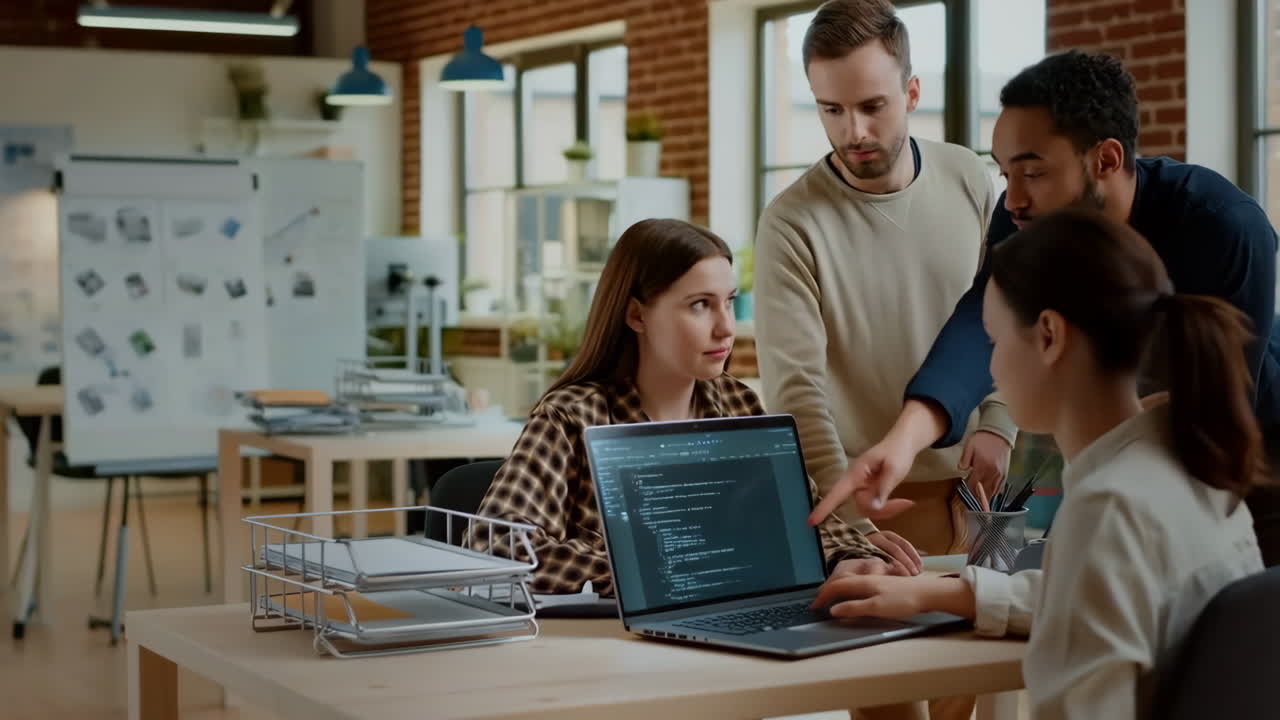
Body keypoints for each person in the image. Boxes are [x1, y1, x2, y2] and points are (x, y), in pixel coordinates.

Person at [813, 50, 1280, 568]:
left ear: (1105, 160)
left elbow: (1220, 403)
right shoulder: (1025, 215)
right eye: (1005, 173)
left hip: (1253, 466)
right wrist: (901, 445)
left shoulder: (1223, 225)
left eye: (1033, 172)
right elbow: (980, 321)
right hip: (1121, 468)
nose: (1012, 201)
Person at [815, 208, 1266, 719]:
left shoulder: (1110, 507)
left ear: (1049, 335)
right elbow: (1092, 601)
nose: (988, 368)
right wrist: (939, 594)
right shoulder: (1186, 464)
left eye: (994, 339)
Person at [468, 218, 893, 599]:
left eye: (728, 301)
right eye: (700, 305)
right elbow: (494, 547)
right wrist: (666, 572)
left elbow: (809, 526)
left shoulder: (738, 404)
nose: (726, 327)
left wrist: (849, 557)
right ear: (636, 315)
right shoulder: (571, 417)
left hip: (737, 631)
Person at [755, 0, 1018, 577]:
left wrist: (1000, 422)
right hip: (874, 511)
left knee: (1005, 650)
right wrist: (851, 526)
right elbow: (797, 398)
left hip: (986, 491)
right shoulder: (790, 223)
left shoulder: (970, 177)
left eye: (873, 106)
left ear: (913, 93)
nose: (855, 132)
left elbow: (1006, 311)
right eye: (832, 110)